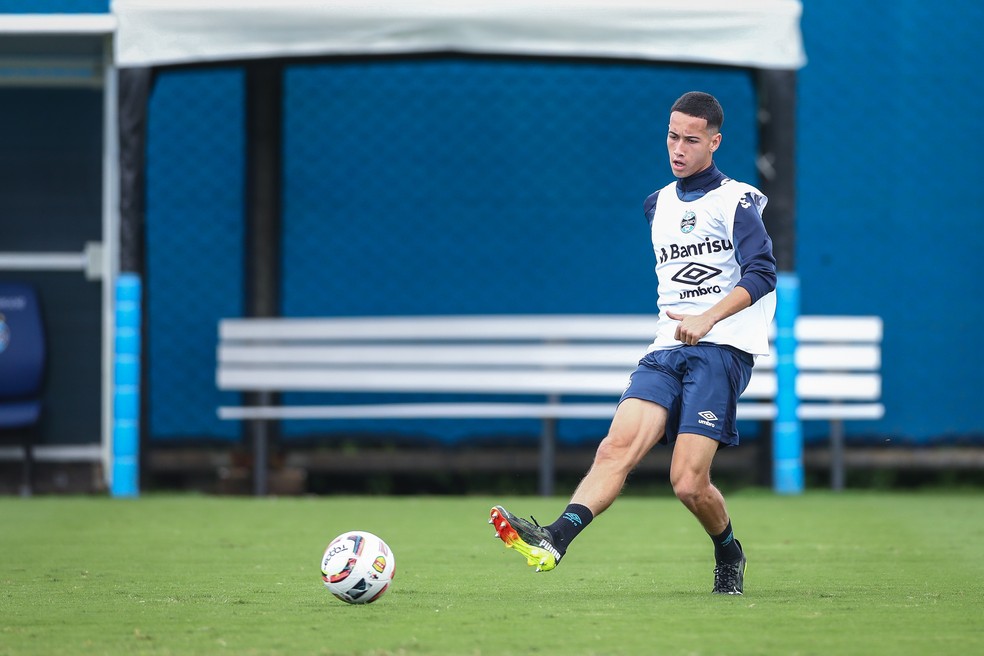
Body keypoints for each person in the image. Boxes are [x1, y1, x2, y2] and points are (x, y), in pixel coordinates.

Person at [489, 91, 777, 595]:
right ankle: (554, 539)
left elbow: (763, 273)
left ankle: (728, 549)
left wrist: (708, 318)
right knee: (615, 447)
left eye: (691, 139)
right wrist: (687, 323)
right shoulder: (657, 204)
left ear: (715, 142)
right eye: (672, 136)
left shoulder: (737, 201)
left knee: (688, 483)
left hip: (721, 347)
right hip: (666, 347)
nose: (678, 148)